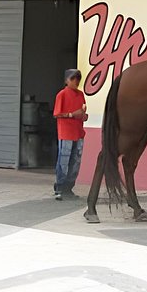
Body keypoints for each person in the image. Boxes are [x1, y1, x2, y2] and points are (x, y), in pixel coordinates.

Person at [52, 69, 88, 200]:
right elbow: (56, 114)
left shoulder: (80, 94)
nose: (76, 82)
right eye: (73, 79)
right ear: (67, 80)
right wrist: (72, 114)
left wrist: (83, 116)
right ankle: (60, 186)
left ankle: (69, 187)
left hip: (78, 132)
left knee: (76, 161)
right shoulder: (62, 94)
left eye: (78, 79)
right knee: (64, 160)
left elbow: (82, 111)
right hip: (66, 132)